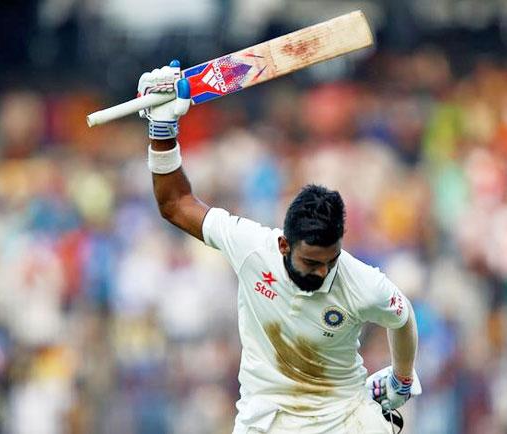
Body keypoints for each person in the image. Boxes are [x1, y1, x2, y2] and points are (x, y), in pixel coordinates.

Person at [139, 60, 421, 434]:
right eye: (311, 262)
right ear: (284, 244)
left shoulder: (359, 281)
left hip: (343, 419)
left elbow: (401, 317)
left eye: (329, 261)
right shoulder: (254, 247)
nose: (322, 273)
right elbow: (175, 204)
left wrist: (401, 378)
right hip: (265, 422)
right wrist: (162, 130)